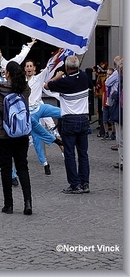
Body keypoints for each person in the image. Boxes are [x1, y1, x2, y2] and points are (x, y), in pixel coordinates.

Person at [0, 61, 33, 215]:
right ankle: (28, 202)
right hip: (21, 133)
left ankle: (8, 204)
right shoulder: (25, 90)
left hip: (4, 133)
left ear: (7, 74)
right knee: (23, 166)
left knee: (5, 168)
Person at [44, 55, 92, 194]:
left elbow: (47, 85)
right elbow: (90, 84)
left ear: (66, 67)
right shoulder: (83, 77)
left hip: (69, 120)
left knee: (69, 153)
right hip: (83, 119)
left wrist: (57, 76)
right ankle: (85, 183)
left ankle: (74, 184)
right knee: (83, 153)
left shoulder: (64, 82)